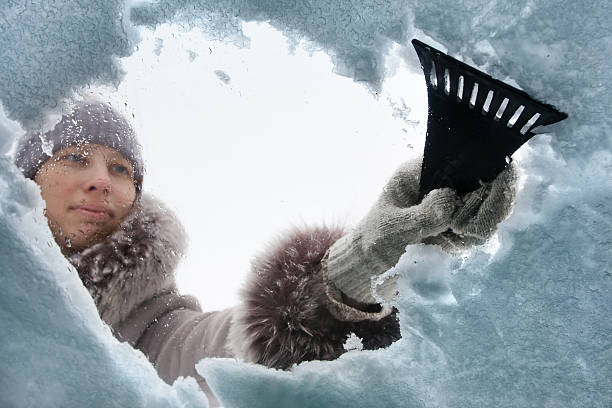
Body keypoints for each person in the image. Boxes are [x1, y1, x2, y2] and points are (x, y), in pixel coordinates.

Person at [15, 102, 516, 405]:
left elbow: (223, 346)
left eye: (121, 169)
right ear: (23, 181)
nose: (101, 180)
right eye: (75, 158)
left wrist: (361, 263)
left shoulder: (152, 336)